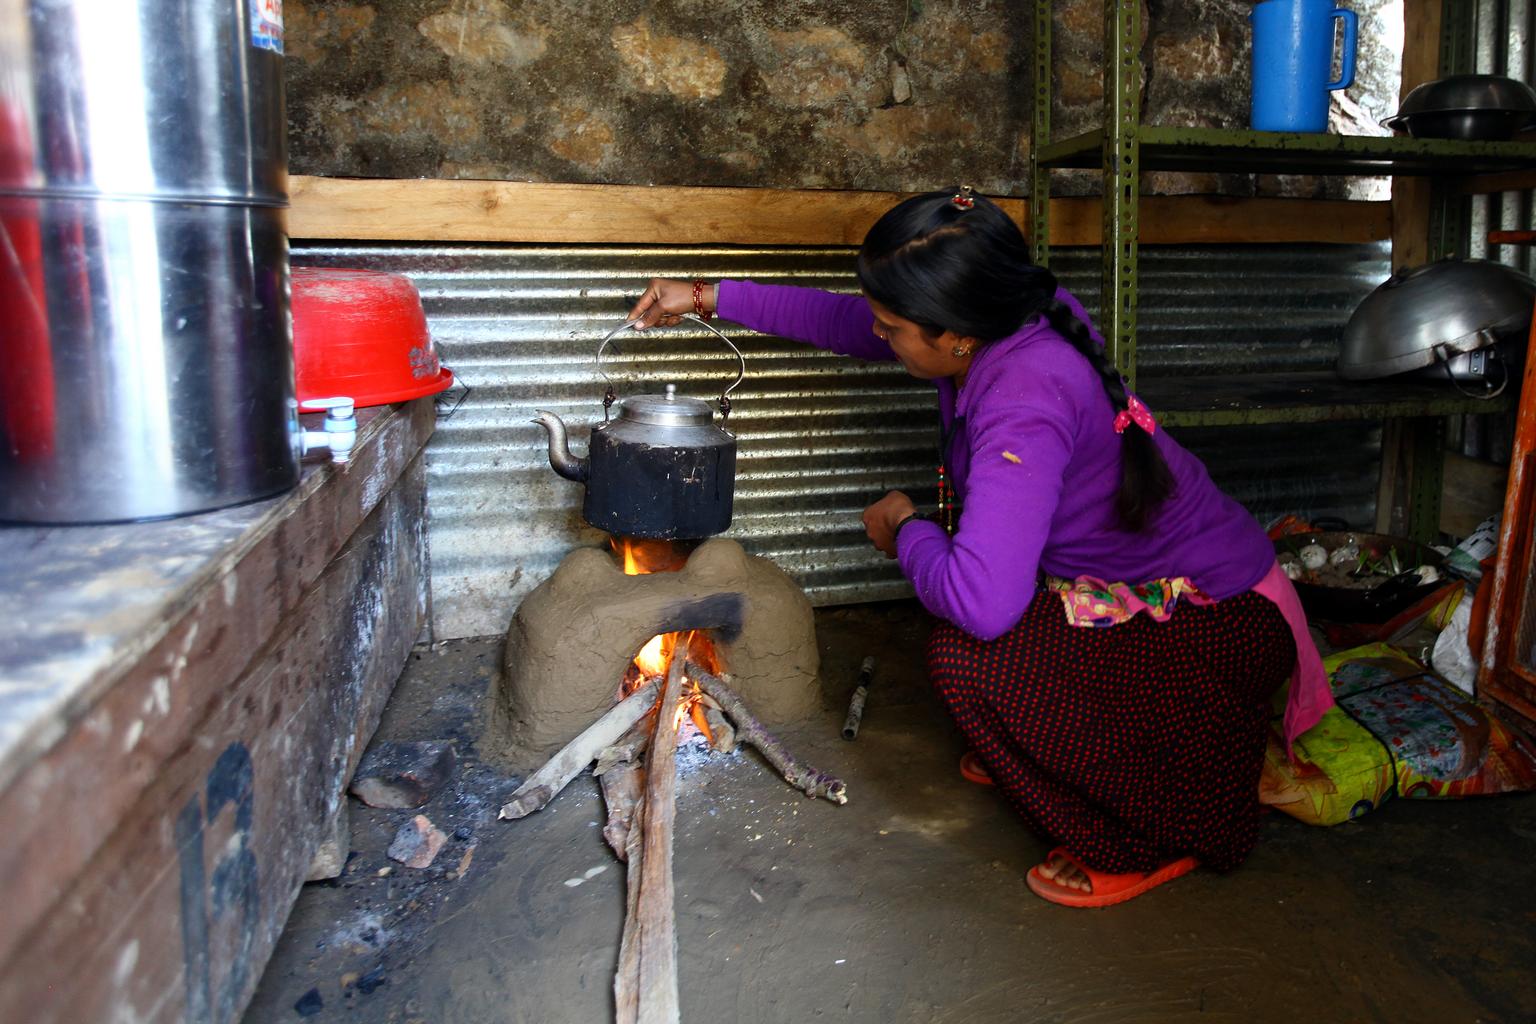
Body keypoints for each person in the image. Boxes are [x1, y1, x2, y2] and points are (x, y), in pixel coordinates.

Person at [626, 187, 1331, 908]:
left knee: (968, 661)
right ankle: (1065, 747)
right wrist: (708, 297)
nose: (879, 334)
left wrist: (908, 531)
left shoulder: (1024, 397)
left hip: (1219, 621)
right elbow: (846, 319)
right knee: (981, 636)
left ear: (953, 333)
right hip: (1130, 593)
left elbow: (985, 604)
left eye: (892, 327)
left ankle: (1150, 838)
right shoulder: (999, 316)